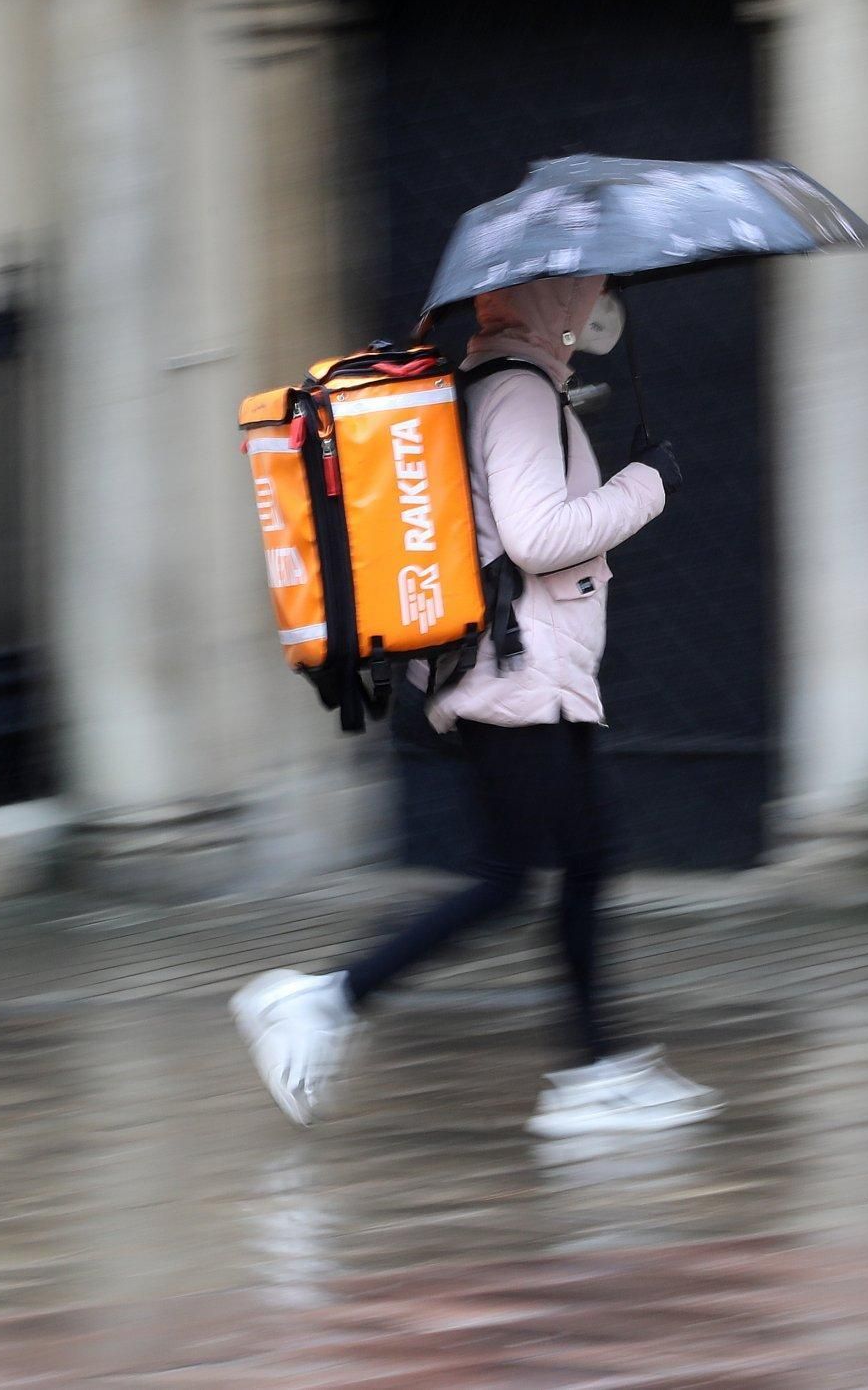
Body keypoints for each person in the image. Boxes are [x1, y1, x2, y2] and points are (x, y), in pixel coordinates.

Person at [230, 275, 721, 1137]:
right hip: (517, 669)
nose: (601, 308)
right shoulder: (520, 394)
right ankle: (325, 999)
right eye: (589, 292)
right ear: (557, 305)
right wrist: (649, 482)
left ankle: (595, 1067)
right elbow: (537, 538)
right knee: (521, 875)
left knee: (575, 861)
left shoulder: (491, 381)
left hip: (507, 669)